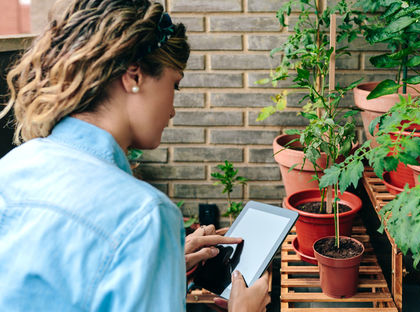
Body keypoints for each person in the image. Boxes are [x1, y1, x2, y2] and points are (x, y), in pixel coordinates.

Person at [0, 0, 270, 311]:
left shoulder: (11, 167)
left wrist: (158, 270)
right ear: (134, 76)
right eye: (175, 85)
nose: (171, 110)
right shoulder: (145, 217)